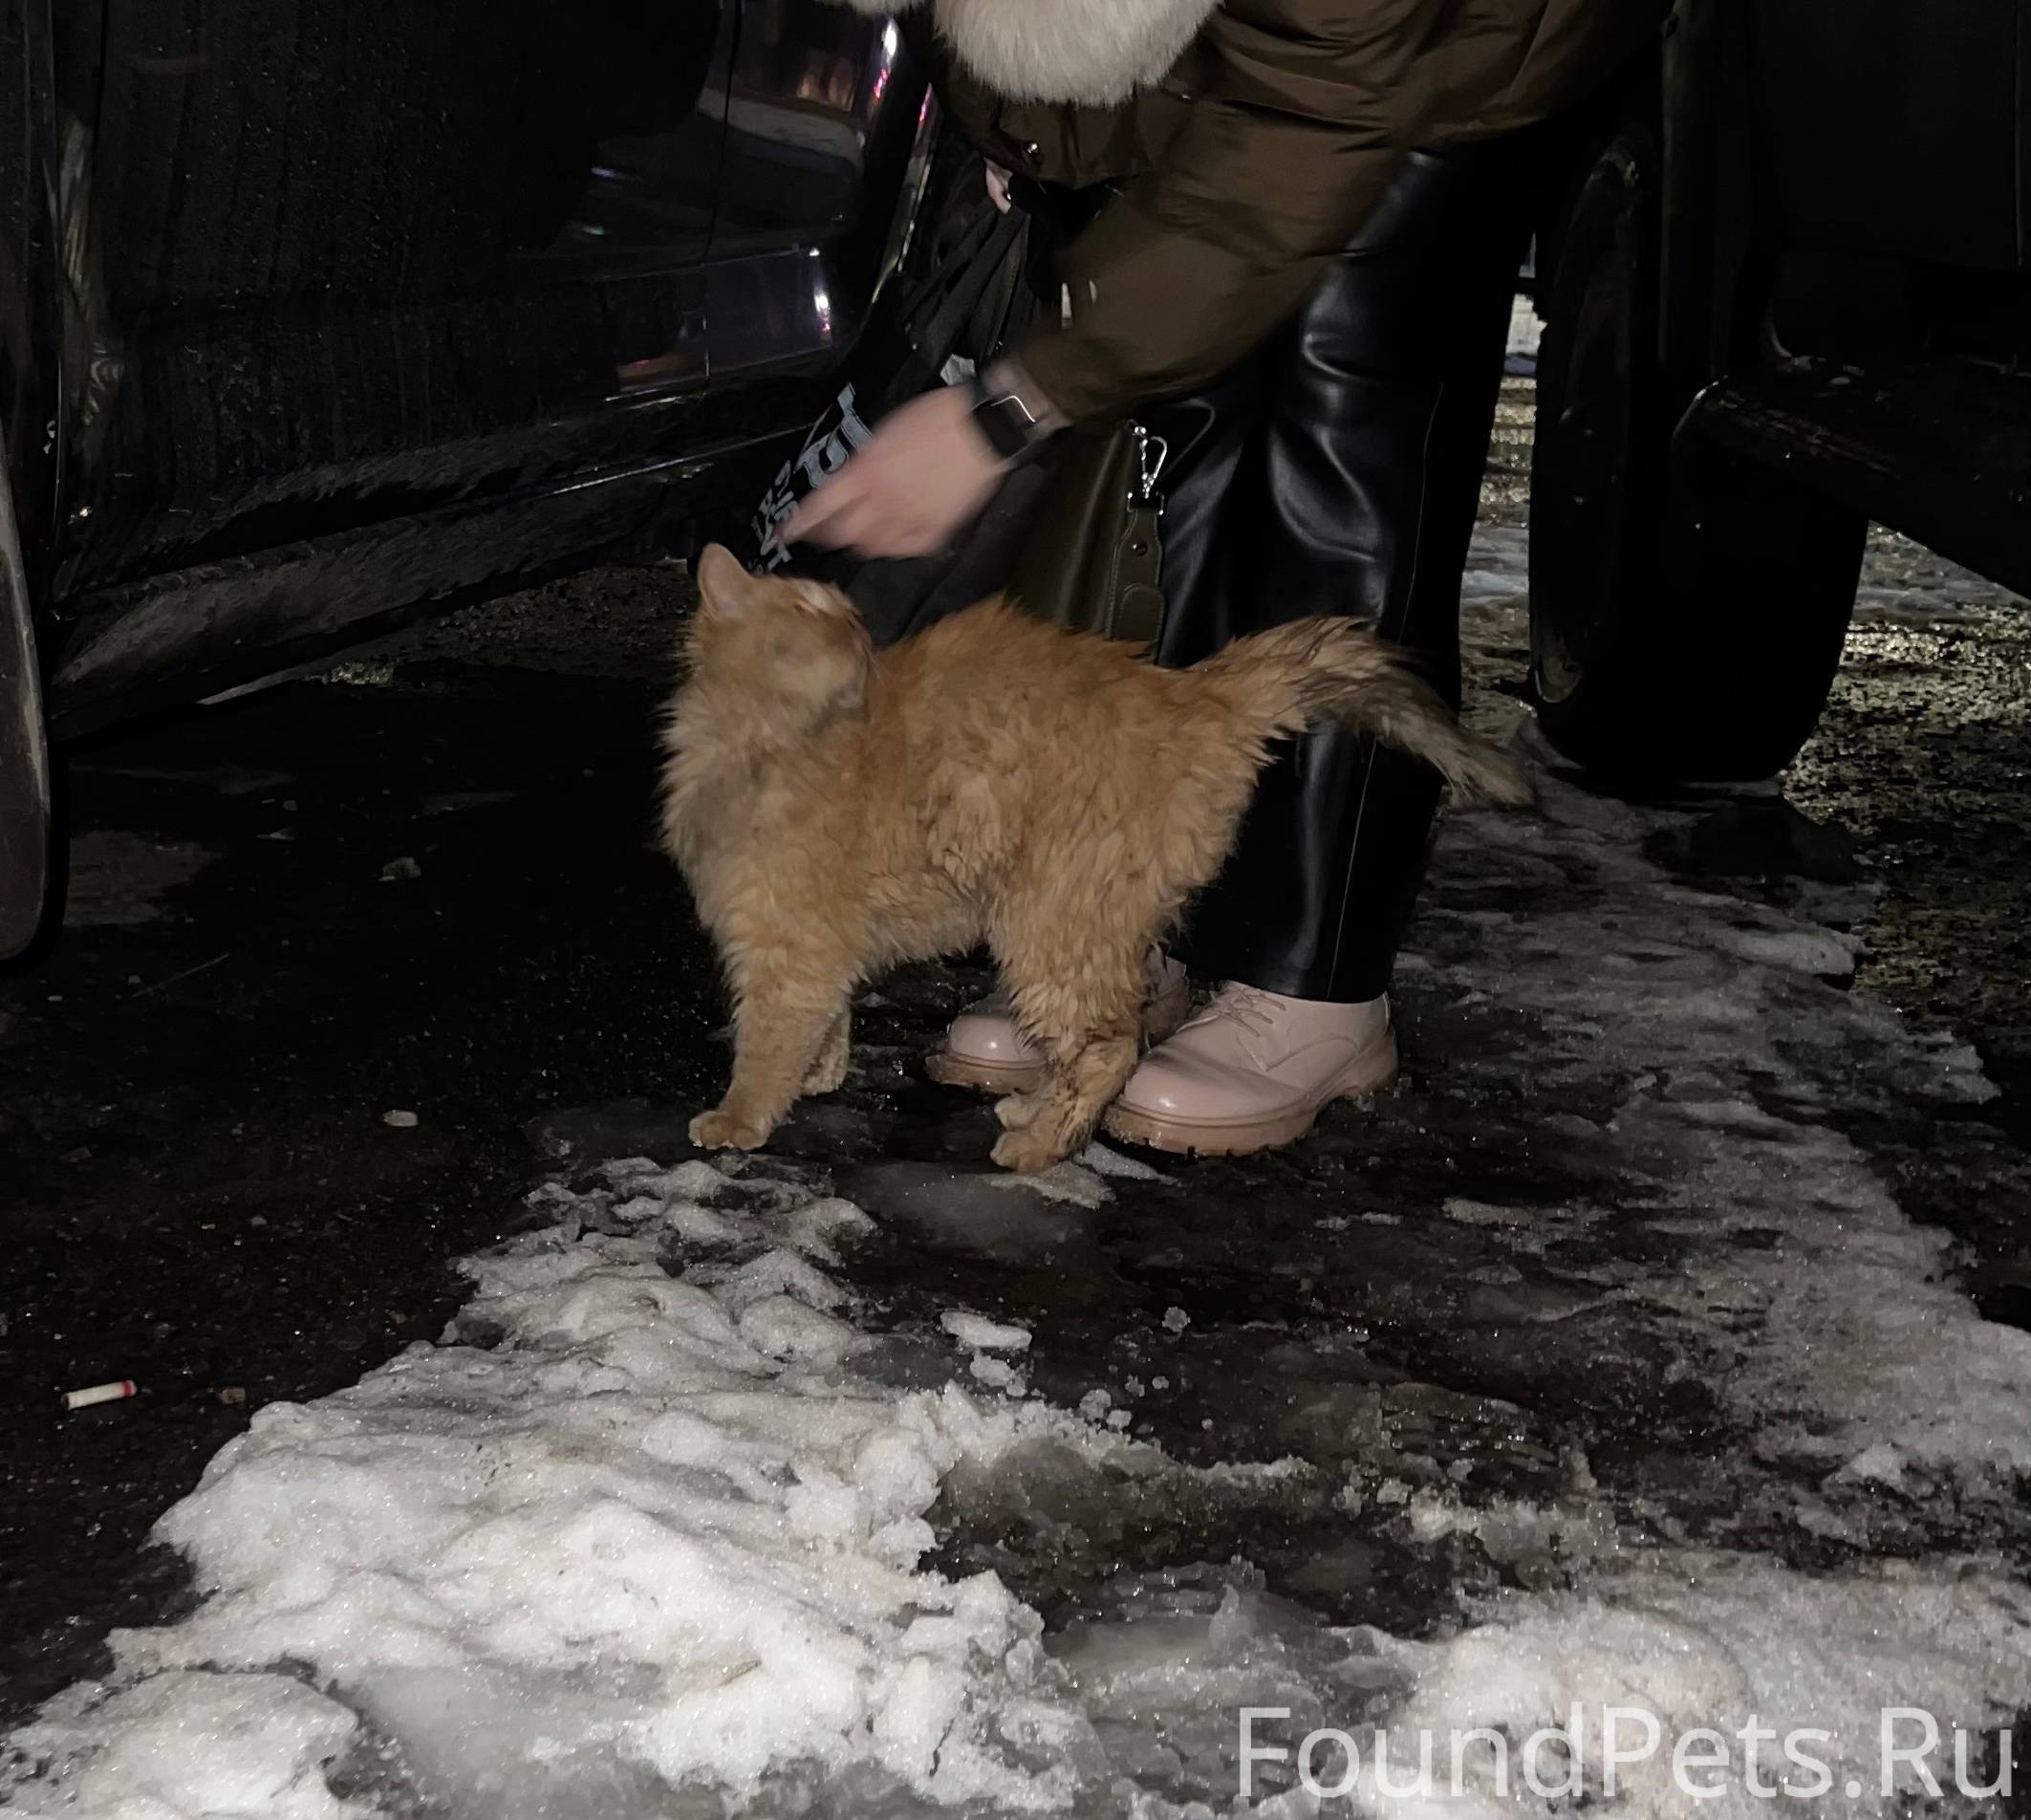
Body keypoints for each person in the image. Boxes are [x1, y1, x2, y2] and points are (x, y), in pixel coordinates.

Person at [789, 0, 1650, 1156]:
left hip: (1437, 52)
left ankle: (1317, 983)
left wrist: (1008, 412)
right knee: (1166, 444)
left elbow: (1300, 134)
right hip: (1247, 56)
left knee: (1337, 452)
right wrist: (1033, 153)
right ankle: (1134, 932)